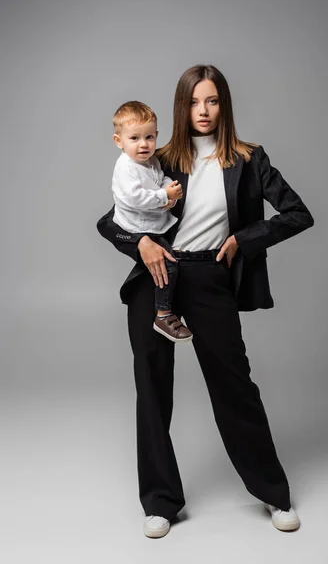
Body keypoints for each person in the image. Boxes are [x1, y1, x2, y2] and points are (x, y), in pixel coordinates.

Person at [97, 64, 314, 539]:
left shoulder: (248, 158)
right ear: (181, 105)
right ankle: (159, 502)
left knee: (236, 387)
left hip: (210, 278)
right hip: (159, 277)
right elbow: (109, 221)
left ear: (224, 105)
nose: (203, 110)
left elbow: (298, 213)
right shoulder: (161, 156)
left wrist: (243, 239)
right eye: (194, 101)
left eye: (212, 101)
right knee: (152, 391)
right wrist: (141, 245)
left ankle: (274, 494)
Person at [111, 100, 193, 343]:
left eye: (149, 137)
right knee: (169, 266)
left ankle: (166, 307)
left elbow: (159, 177)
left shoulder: (151, 161)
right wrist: (163, 197)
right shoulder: (126, 167)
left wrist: (169, 187)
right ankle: (164, 314)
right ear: (119, 141)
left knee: (169, 263)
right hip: (137, 226)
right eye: (134, 138)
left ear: (156, 135)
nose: (143, 144)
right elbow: (134, 197)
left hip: (153, 222)